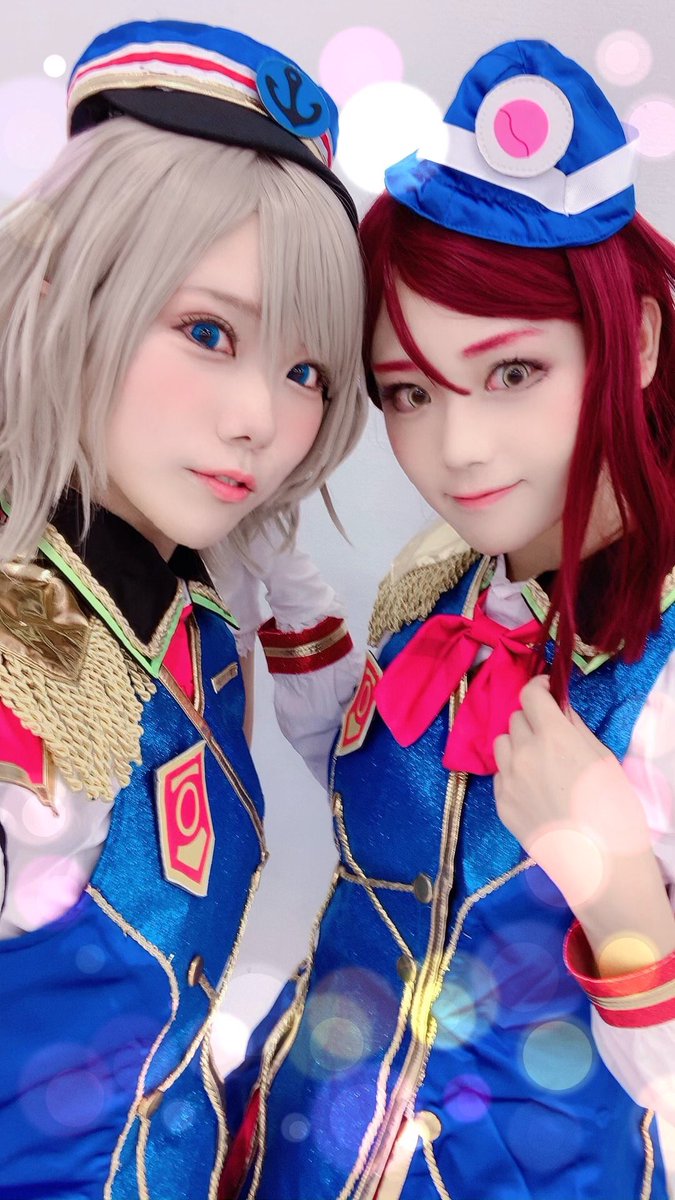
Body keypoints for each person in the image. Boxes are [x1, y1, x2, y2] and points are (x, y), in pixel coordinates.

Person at [223, 39, 675, 1200]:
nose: (458, 449)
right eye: (410, 392)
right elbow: (391, 797)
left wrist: (622, 899)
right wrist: (283, 590)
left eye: (513, 372)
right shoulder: (439, 579)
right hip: (296, 1151)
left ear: (637, 341)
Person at [0, 17, 365, 1200]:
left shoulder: (196, 603)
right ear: (62, 291)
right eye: (208, 332)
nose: (263, 419)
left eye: (307, 372)